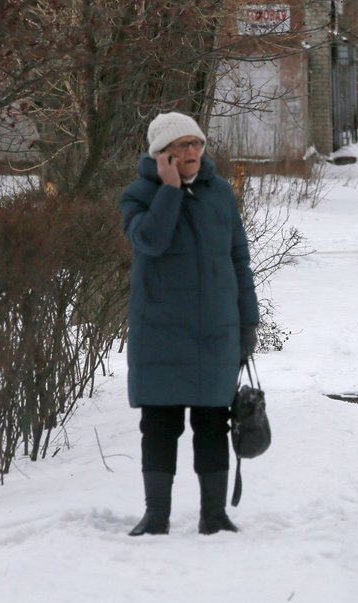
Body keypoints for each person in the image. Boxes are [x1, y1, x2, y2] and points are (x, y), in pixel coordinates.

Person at [120, 111, 259, 536]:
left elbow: (239, 259)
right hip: (159, 332)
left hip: (215, 330)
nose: (193, 151)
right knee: (159, 426)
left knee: (213, 423)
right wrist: (169, 191)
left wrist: (248, 321)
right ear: (161, 154)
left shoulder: (220, 194)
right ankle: (156, 515)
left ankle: (213, 515)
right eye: (182, 145)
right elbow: (150, 241)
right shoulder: (138, 196)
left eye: (196, 143)